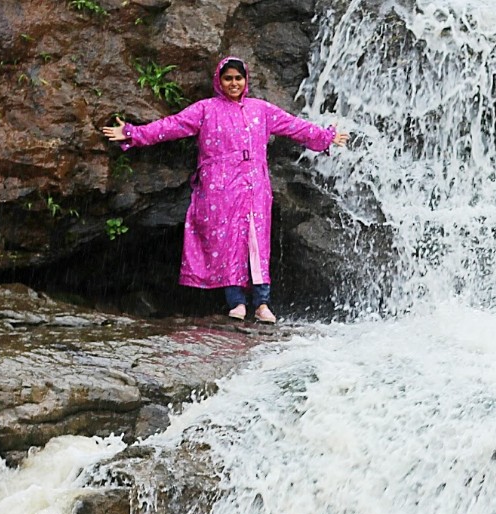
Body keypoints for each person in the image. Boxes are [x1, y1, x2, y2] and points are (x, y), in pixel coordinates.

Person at [101, 57, 348, 324]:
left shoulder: (261, 110)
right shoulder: (206, 109)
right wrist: (133, 133)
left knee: (256, 242)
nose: (234, 83)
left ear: (246, 81)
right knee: (229, 242)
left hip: (255, 187)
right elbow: (171, 126)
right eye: (228, 78)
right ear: (219, 81)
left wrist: (326, 136)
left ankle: (262, 303)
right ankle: (237, 302)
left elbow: (294, 126)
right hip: (220, 189)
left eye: (238, 78)